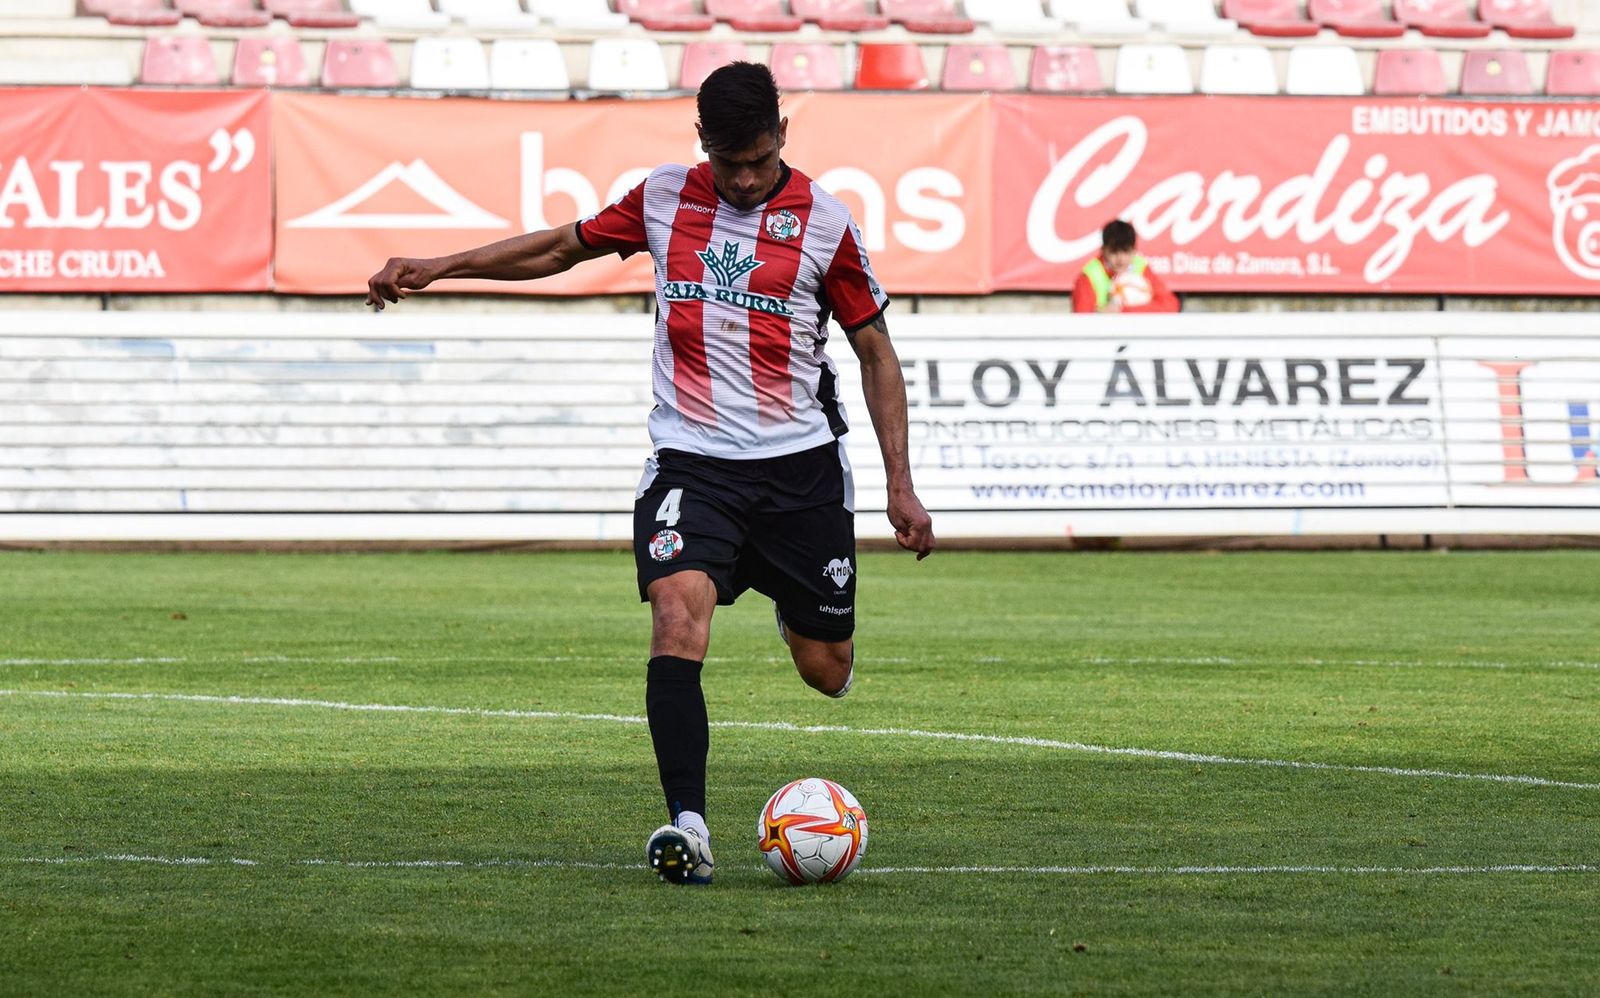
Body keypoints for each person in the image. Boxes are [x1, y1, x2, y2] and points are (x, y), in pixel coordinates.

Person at [365, 62, 935, 886]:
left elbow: (875, 351)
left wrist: (900, 484)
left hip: (799, 471)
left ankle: (786, 606)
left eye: (762, 161)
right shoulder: (663, 197)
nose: (745, 180)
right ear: (701, 141)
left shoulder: (826, 222)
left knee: (827, 669)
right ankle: (689, 826)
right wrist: (440, 265)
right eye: (730, 162)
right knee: (677, 616)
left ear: (784, 137)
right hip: (692, 461)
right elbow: (562, 247)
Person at [1072, 219, 1179, 314]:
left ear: (1134, 251)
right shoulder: (1089, 276)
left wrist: (1122, 311)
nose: (1121, 259)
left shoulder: (1140, 267)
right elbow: (1082, 321)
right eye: (1114, 252)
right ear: (1103, 250)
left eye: (1126, 252)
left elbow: (1171, 305)